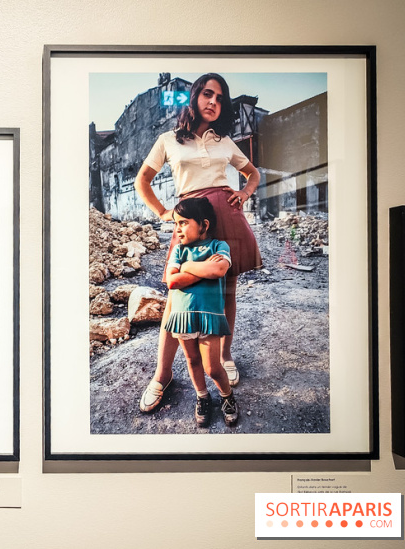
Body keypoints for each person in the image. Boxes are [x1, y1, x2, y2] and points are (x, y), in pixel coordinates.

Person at [135, 73, 261, 412]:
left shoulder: (224, 142)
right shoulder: (168, 140)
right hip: (190, 219)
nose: (214, 102)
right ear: (194, 97)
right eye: (208, 94)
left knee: (228, 290)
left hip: (227, 215)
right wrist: (163, 212)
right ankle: (162, 375)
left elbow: (253, 174)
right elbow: (142, 180)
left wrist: (245, 193)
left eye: (220, 98)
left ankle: (225, 355)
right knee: (177, 295)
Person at [164, 198, 239, 426]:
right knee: (192, 360)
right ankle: (202, 396)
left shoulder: (218, 247)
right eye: (176, 223)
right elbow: (171, 281)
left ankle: (227, 396)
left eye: (184, 223)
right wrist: (201, 269)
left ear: (203, 225)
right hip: (182, 317)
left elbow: (219, 269)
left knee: (212, 367)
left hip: (209, 318)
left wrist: (186, 268)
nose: (178, 228)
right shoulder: (178, 250)